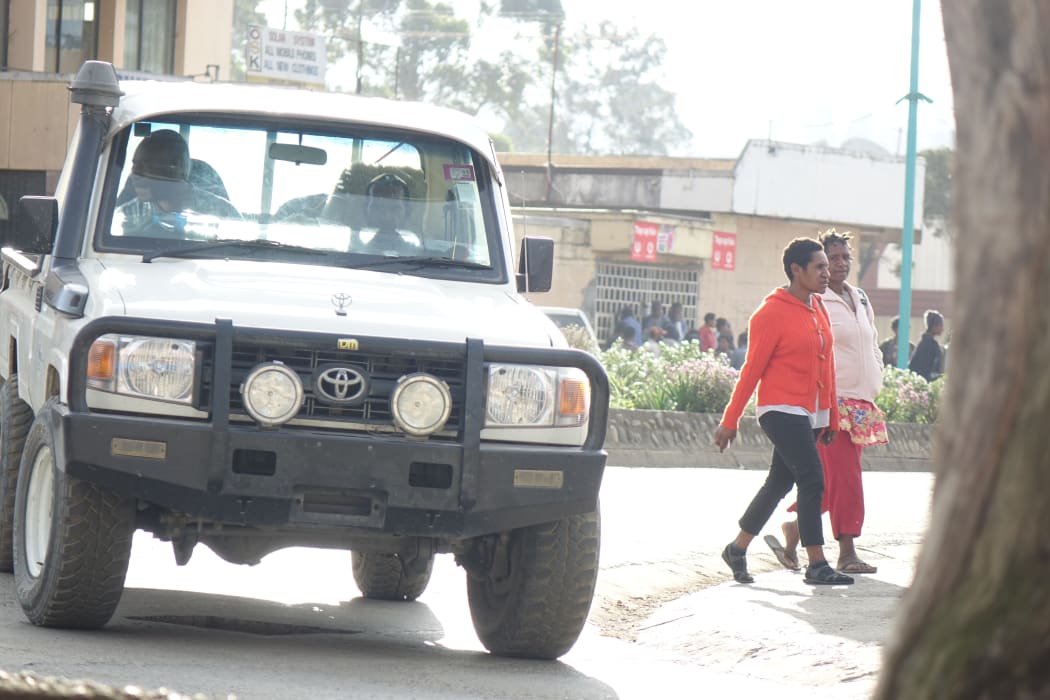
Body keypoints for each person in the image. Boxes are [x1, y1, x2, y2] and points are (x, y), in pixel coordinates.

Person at [714, 237, 854, 586]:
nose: (827, 273)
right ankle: (817, 562)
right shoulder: (770, 313)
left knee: (779, 481)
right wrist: (730, 421)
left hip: (809, 411)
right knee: (812, 478)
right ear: (796, 270)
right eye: (819, 267)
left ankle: (737, 547)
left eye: (827, 266)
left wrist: (832, 416)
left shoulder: (817, 307)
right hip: (779, 408)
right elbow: (751, 371)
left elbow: (828, 367)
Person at [764, 229, 889, 575]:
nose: (839, 264)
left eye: (845, 257)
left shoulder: (860, 297)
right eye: (832, 258)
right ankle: (846, 550)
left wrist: (876, 372)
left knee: (835, 478)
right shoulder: (815, 300)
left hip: (862, 400)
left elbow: (872, 342)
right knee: (845, 476)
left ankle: (795, 530)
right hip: (831, 401)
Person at [117, 129, 239, 235]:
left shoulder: (222, 213)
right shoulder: (128, 213)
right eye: (135, 165)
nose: (135, 174)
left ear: (177, 167)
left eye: (146, 166)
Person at [361, 172, 421, 254]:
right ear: (366, 210)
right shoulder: (351, 252)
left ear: (407, 211)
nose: (387, 217)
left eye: (395, 209)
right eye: (378, 208)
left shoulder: (419, 254)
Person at [908, 310, 945, 381]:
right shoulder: (928, 344)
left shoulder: (927, 342)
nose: (942, 329)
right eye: (940, 326)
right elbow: (924, 369)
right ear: (933, 326)